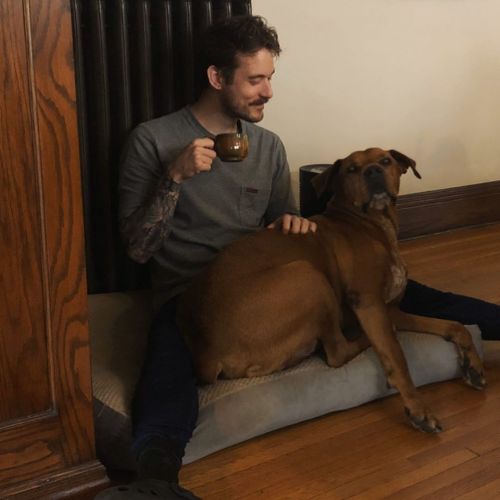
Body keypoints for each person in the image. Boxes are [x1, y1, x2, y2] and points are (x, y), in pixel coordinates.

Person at [96, 14, 500, 500]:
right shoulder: (154, 140)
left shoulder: (267, 146)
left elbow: (283, 224)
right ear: (216, 78)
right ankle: (155, 481)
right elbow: (137, 247)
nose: (268, 92)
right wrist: (174, 179)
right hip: (189, 289)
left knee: (421, 294)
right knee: (168, 363)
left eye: (271, 79)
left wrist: (295, 224)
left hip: (268, 272)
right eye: (255, 80)